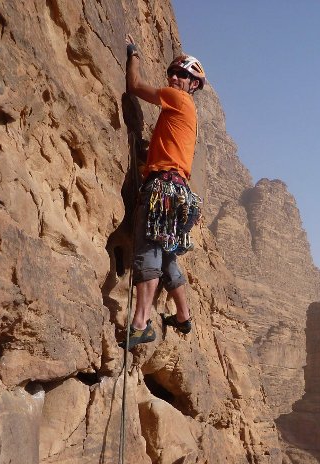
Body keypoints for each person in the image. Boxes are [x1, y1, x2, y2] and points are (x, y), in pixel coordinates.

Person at [122, 34, 206, 348]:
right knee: (168, 253)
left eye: (183, 75)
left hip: (163, 189)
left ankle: (140, 323)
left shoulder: (178, 99)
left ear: (193, 84)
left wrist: (134, 53)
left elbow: (135, 86)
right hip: (179, 192)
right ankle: (183, 316)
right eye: (173, 73)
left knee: (148, 251)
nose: (174, 77)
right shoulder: (185, 114)